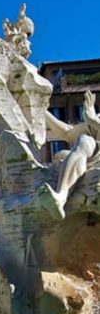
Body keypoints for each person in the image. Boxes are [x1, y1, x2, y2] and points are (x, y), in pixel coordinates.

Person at [39, 90, 100, 219]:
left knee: (85, 141)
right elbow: (68, 133)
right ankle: (60, 198)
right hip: (93, 156)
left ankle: (62, 195)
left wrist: (93, 121)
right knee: (61, 155)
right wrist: (42, 110)